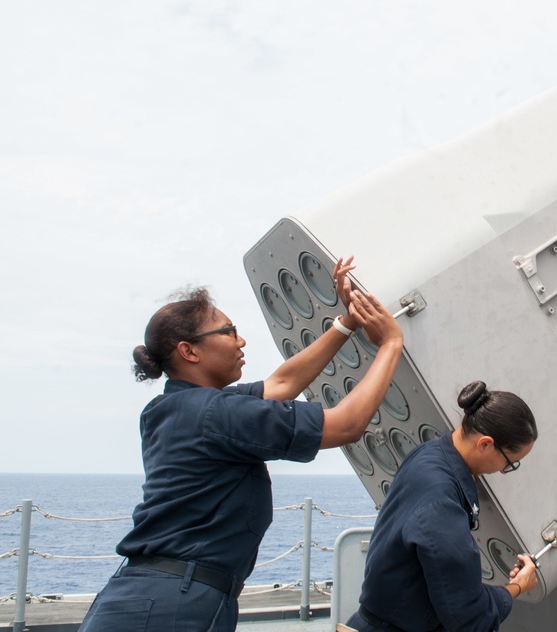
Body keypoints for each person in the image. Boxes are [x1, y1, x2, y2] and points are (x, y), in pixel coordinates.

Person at [79, 257, 402, 632]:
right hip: (176, 603)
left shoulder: (170, 408)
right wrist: (390, 344)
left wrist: (346, 323)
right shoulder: (217, 414)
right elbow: (346, 425)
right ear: (190, 351)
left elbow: (281, 385)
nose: (241, 340)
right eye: (229, 331)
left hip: (142, 594)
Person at [346, 380, 540, 632]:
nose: (503, 471)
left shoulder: (429, 454)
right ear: (485, 444)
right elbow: (468, 616)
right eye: (509, 462)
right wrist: (518, 587)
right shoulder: (440, 499)